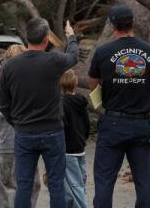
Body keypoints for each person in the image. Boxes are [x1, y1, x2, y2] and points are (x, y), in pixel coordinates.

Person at [0, 18, 80, 208]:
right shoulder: (53, 60)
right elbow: (74, 56)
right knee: (56, 183)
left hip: (24, 132)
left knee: (23, 185)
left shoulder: (10, 65)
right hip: (52, 131)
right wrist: (71, 36)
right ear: (46, 39)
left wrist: (16, 121)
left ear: (27, 37)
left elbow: (2, 103)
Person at [88, 4, 150, 208]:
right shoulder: (149, 51)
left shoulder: (103, 52)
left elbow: (93, 81)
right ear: (132, 23)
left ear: (112, 25)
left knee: (104, 178)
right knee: (143, 177)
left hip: (113, 121)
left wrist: (102, 98)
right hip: (141, 122)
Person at [0, 45, 41, 208]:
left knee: (32, 183)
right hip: (9, 142)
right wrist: (7, 112)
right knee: (7, 184)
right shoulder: (0, 84)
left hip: (30, 142)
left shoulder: (33, 82)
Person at [60, 69, 90, 208]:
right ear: (76, 84)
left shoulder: (61, 104)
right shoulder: (81, 103)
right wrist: (83, 137)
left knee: (73, 186)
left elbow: (62, 126)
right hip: (80, 147)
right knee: (80, 182)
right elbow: (87, 124)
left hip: (67, 149)